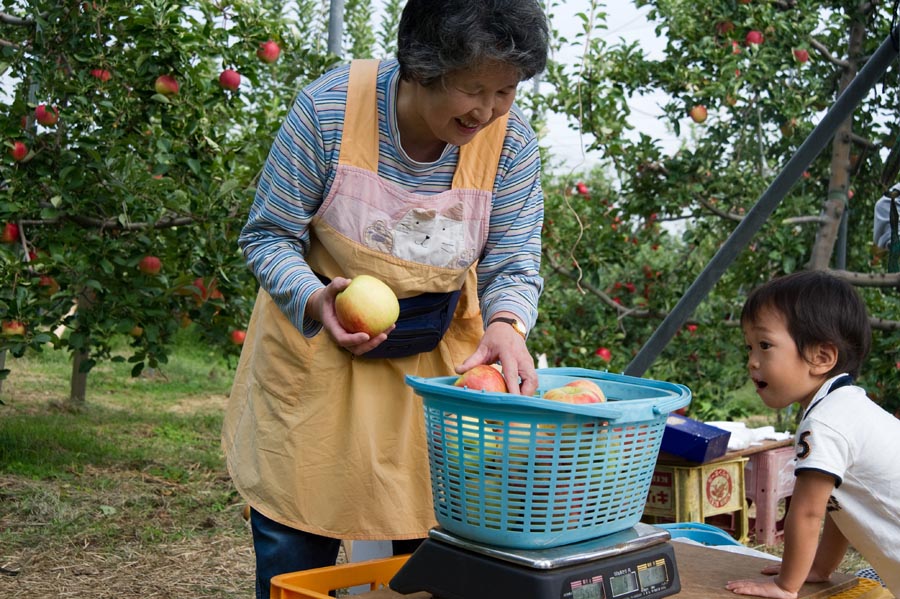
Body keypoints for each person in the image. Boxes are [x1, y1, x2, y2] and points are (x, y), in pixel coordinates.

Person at [220, 1, 550, 597]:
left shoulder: (510, 143)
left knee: (433, 554)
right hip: (319, 349)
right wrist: (316, 299)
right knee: (297, 550)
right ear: (423, 66)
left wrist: (506, 322)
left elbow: (515, 259)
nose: (489, 110)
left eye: (506, 91)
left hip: (436, 369)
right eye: (473, 88)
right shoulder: (328, 109)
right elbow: (268, 234)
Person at [726, 270, 900, 599]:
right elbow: (842, 508)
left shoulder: (825, 423)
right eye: (749, 347)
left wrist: (786, 586)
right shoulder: (846, 409)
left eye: (765, 345)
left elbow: (808, 512)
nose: (752, 361)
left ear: (821, 358)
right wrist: (819, 568)